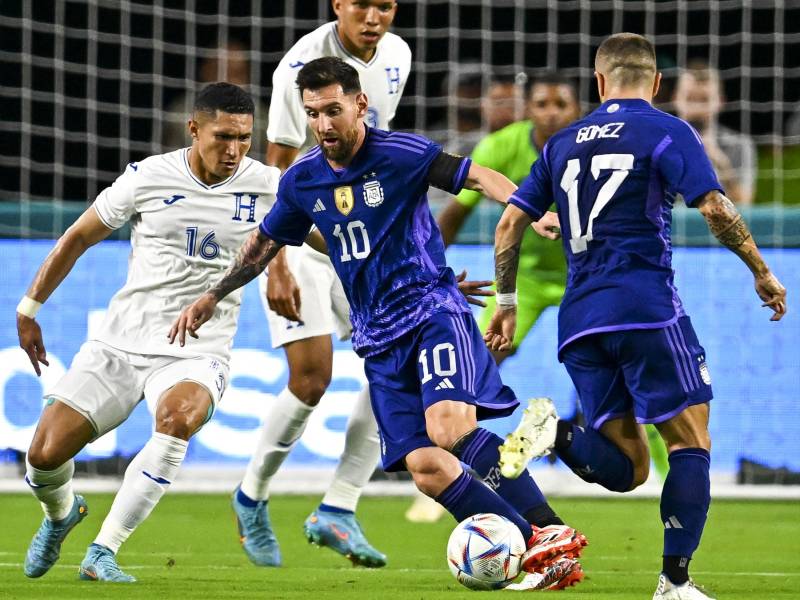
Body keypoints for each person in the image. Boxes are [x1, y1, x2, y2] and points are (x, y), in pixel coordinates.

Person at [171, 56, 586, 591]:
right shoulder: (303, 181)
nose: (323, 125)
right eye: (314, 113)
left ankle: (547, 532)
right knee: (426, 467)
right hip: (378, 337)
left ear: (360, 105)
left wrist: (534, 208)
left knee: (447, 428)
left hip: (433, 313)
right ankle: (538, 549)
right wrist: (212, 295)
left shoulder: (399, 153)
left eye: (334, 110)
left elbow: (476, 176)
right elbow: (263, 245)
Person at [487, 33, 787, 600]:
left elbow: (508, 226)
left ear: (598, 84)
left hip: (579, 322)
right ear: (655, 83)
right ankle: (674, 583)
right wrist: (760, 270)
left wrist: (505, 304)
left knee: (628, 470)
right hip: (645, 306)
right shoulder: (668, 130)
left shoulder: (561, 143)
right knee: (689, 441)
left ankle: (558, 432)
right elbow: (716, 208)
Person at [16, 83, 284, 582]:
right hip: (120, 343)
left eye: (245, 139)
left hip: (196, 351)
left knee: (178, 419)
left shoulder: (268, 184)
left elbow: (333, 238)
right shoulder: (147, 177)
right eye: (223, 136)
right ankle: (61, 515)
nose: (234, 150)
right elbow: (77, 238)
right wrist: (30, 308)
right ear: (194, 129)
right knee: (44, 456)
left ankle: (103, 551)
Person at [231, 0, 412, 569]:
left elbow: (374, 149)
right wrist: (276, 261)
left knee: (394, 366)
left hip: (363, 236)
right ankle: (251, 495)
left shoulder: (398, 55)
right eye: (363, 4)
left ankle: (339, 507)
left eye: (385, 4)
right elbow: (278, 163)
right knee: (311, 380)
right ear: (339, 5)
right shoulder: (300, 65)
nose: (374, 16)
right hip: (305, 238)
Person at [161, 41, 269, 159]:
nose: (227, 81)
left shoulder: (263, 118)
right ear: (204, 71)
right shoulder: (180, 113)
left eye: (236, 74)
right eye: (219, 72)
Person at [673, 61, 757, 205]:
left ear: (720, 101)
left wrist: (719, 161)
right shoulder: (657, 141)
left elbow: (745, 204)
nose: (696, 108)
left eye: (704, 100)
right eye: (690, 99)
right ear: (675, 99)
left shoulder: (739, 145)